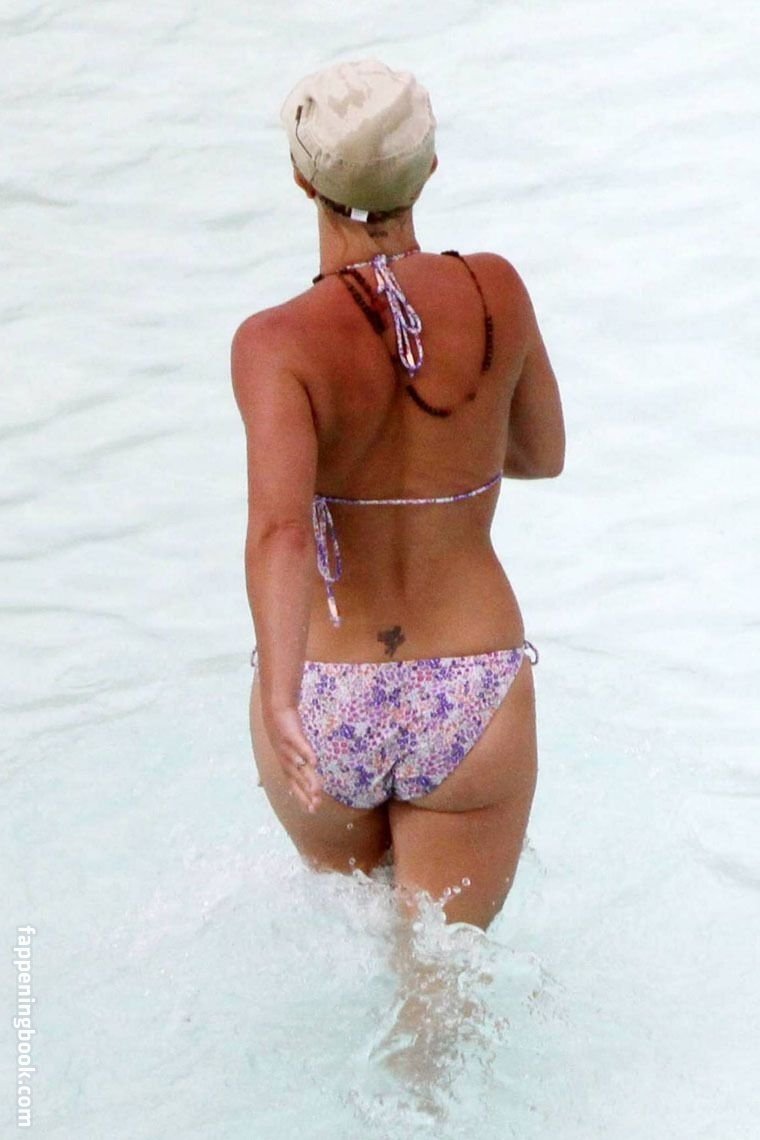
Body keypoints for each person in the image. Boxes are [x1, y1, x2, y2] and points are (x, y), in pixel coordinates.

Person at [231, 59, 564, 931]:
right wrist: (444, 461)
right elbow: (542, 454)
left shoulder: (274, 343)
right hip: (470, 683)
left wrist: (282, 700)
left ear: (303, 179)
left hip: (326, 687)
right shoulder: (496, 291)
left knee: (353, 948)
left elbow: (279, 533)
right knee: (445, 987)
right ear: (428, 169)